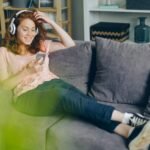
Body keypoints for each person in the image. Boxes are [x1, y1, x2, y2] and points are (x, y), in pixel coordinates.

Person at [0, 10, 149, 150]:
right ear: (13, 29)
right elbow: (5, 86)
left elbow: (69, 45)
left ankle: (129, 133)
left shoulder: (40, 45)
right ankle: (128, 118)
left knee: (83, 102)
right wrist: (27, 71)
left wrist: (50, 22)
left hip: (52, 84)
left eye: (33, 29)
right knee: (61, 94)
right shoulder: (4, 53)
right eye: (25, 29)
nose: (30, 34)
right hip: (27, 96)